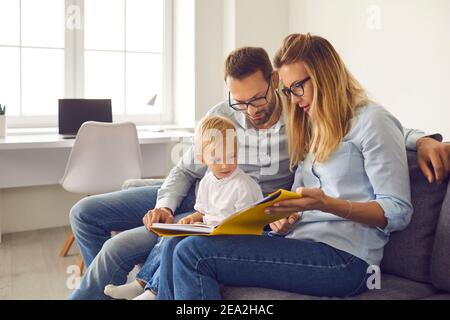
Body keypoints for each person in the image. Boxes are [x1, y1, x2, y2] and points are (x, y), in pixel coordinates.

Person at [69, 45, 449, 299]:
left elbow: (381, 128)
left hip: (335, 249)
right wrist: (287, 217)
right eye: (241, 102)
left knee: (172, 250)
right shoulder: (303, 122)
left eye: (266, 96)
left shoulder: (309, 118)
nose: (251, 109)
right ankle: (144, 285)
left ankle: (146, 286)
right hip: (209, 196)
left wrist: (424, 139)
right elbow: (187, 166)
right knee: (93, 215)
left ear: (275, 83)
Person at [103, 115, 263, 300]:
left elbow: (246, 224)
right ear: (202, 159)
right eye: (218, 159)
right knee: (172, 238)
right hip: (209, 232)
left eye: (232, 156)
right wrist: (192, 220)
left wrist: (210, 228)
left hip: (231, 239)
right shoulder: (207, 182)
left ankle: (150, 292)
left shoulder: (242, 185)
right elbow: (203, 212)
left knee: (184, 247)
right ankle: (143, 285)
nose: (226, 164)